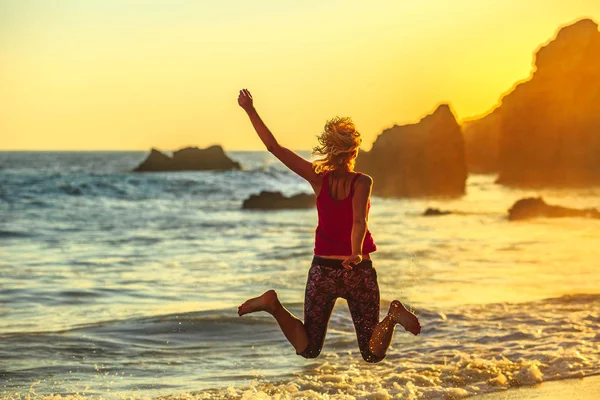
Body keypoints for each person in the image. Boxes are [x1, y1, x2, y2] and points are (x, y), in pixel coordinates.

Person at [236, 89, 421, 363]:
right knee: (371, 353)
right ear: (353, 150)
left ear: (329, 149)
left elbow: (274, 148)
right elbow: (359, 220)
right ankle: (393, 315)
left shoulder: (317, 177)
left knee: (309, 348)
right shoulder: (362, 182)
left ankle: (273, 306)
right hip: (358, 271)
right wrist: (356, 253)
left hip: (323, 270)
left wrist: (250, 110)